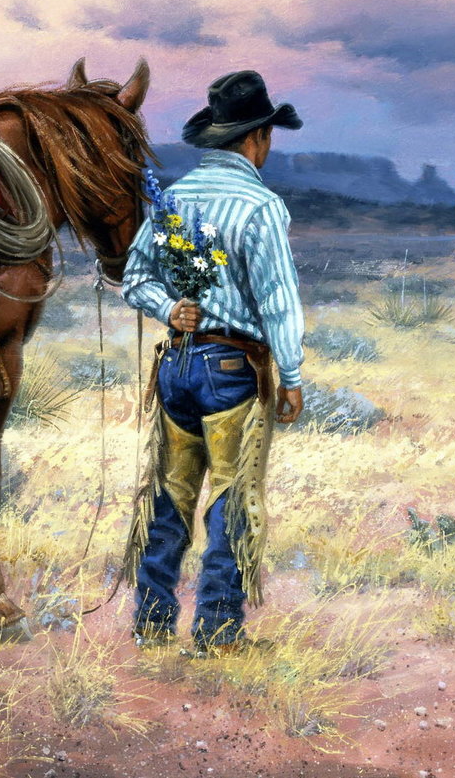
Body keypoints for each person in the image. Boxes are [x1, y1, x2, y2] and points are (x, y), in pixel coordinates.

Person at [121, 70, 305, 657]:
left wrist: (169, 309)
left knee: (170, 495)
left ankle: (152, 622)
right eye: (268, 136)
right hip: (232, 370)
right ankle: (218, 629)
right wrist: (292, 376)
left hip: (175, 366)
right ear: (257, 138)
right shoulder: (261, 206)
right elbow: (277, 299)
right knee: (231, 495)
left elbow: (134, 278)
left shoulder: (173, 199)